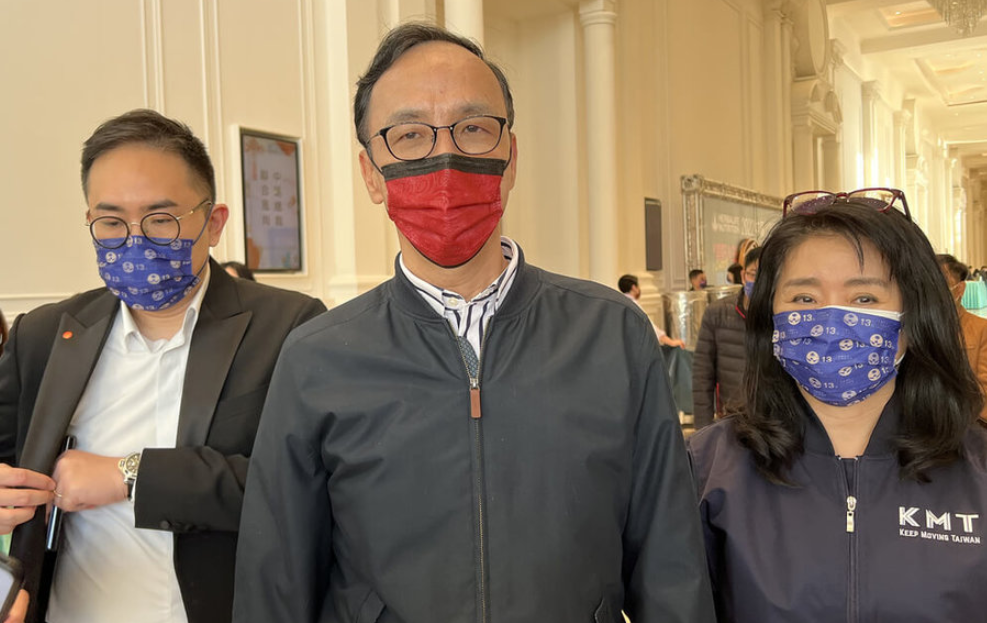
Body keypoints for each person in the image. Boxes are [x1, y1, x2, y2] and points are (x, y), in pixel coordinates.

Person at [233, 23, 714, 623]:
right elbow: (276, 583)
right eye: (409, 135)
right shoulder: (317, 358)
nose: (445, 156)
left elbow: (671, 567)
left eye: (474, 128)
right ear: (371, 174)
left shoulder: (613, 335)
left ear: (511, 158)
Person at [0, 109, 326, 623]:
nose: (134, 239)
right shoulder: (43, 335)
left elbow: (305, 485)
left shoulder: (290, 327)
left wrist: (130, 475)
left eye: (160, 219)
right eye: (111, 222)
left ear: (213, 223)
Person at [688, 188, 987, 621]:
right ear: (770, 315)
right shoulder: (708, 469)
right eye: (804, 299)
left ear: (913, 315)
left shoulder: (977, 470)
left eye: (864, 298)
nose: (830, 321)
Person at [691, 247, 760, 429]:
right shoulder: (717, 313)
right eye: (754, 275)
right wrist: (703, 428)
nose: (760, 282)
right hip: (731, 419)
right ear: (744, 276)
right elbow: (702, 375)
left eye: (767, 276)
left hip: (774, 422)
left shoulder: (781, 317)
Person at [938, 254, 987, 420]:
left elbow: (983, 391)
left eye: (941, 284)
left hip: (967, 422)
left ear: (959, 290)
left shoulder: (982, 329)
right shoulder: (912, 331)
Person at [618, 274, 685, 348]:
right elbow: (650, 327)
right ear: (634, 288)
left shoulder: (620, 303)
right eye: (638, 286)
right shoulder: (634, 305)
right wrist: (671, 342)